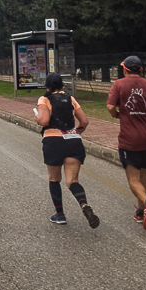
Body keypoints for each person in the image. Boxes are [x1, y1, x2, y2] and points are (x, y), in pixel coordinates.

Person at [107, 56, 146, 229]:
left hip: (129, 139)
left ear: (125, 69)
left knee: (133, 178)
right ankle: (141, 212)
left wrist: (117, 114)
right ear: (141, 70)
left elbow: (110, 107)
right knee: (144, 174)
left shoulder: (118, 84)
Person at [35, 72, 100, 228]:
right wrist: (76, 132)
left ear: (46, 86)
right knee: (72, 181)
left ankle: (60, 215)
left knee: (54, 178)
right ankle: (84, 205)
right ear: (62, 86)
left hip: (53, 142)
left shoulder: (44, 99)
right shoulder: (71, 99)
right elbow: (84, 121)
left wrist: (37, 116)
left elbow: (43, 120)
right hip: (73, 141)